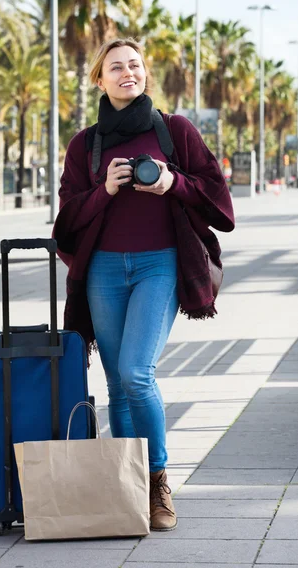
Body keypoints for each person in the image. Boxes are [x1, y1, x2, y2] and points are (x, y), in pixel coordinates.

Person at [53, 38, 235, 532]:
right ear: (100, 78)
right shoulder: (84, 145)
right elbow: (66, 222)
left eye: (135, 65)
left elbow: (219, 199)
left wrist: (171, 182)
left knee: (136, 372)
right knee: (115, 383)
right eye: (116, 67)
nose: (127, 73)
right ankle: (127, 488)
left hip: (160, 265)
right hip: (104, 273)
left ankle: (157, 481)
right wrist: (105, 190)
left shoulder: (173, 130)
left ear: (144, 74)